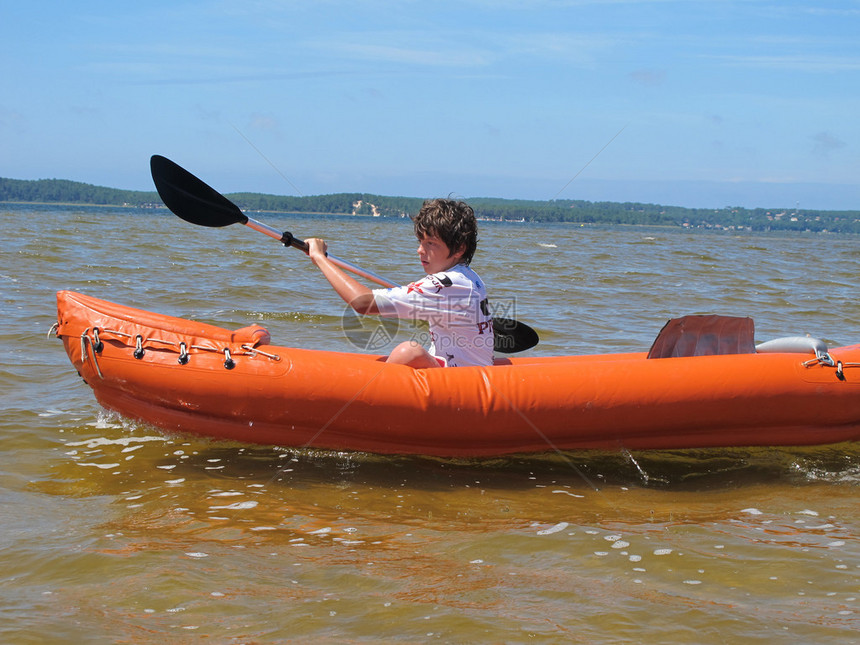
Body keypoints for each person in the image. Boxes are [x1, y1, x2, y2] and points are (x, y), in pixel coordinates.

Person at [306, 198, 493, 368]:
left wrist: (320, 257)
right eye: (421, 241)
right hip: (460, 372)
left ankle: (367, 400)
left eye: (431, 243)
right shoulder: (469, 277)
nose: (420, 250)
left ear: (459, 248)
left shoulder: (448, 284)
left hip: (463, 385)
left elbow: (362, 303)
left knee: (408, 352)